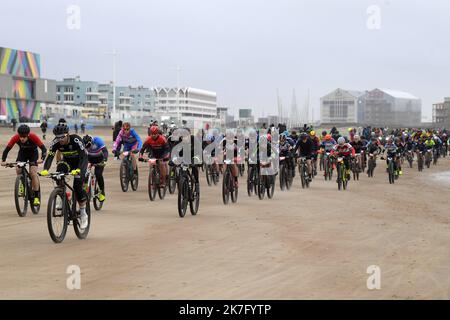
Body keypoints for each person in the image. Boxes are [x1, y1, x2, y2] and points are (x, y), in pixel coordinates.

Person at [40, 124, 89, 229]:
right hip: (67, 162)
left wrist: (79, 169)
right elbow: (50, 156)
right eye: (58, 137)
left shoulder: (76, 140)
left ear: (68, 134)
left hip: (80, 163)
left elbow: (83, 156)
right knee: (58, 174)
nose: (60, 139)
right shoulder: (56, 142)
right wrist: (45, 169)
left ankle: (83, 213)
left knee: (77, 186)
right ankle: (62, 196)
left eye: (62, 137)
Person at [1, 124, 47, 206]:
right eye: (20, 136)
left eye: (24, 137)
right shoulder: (15, 137)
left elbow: (43, 148)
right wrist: (3, 160)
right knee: (18, 169)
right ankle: (22, 185)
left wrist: (41, 159)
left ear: (28, 135)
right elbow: (7, 149)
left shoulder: (33, 137)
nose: (21, 138)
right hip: (22, 154)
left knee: (33, 173)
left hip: (33, 154)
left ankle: (36, 196)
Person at [83, 135, 108, 202]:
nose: (88, 148)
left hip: (99, 159)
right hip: (90, 159)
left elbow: (105, 151)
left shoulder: (98, 140)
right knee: (84, 173)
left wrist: (105, 160)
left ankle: (102, 192)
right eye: (86, 147)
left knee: (98, 174)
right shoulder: (83, 144)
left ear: (91, 142)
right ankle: (85, 188)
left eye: (89, 146)